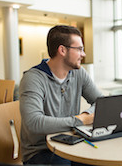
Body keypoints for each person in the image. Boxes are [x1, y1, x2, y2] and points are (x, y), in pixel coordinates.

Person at [19, 25, 103, 165]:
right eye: (80, 49)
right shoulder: (33, 78)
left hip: (71, 142)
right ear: (62, 50)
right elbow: (34, 123)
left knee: (100, 160)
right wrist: (79, 120)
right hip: (41, 151)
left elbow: (102, 102)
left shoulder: (79, 73)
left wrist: (86, 115)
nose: (84, 54)